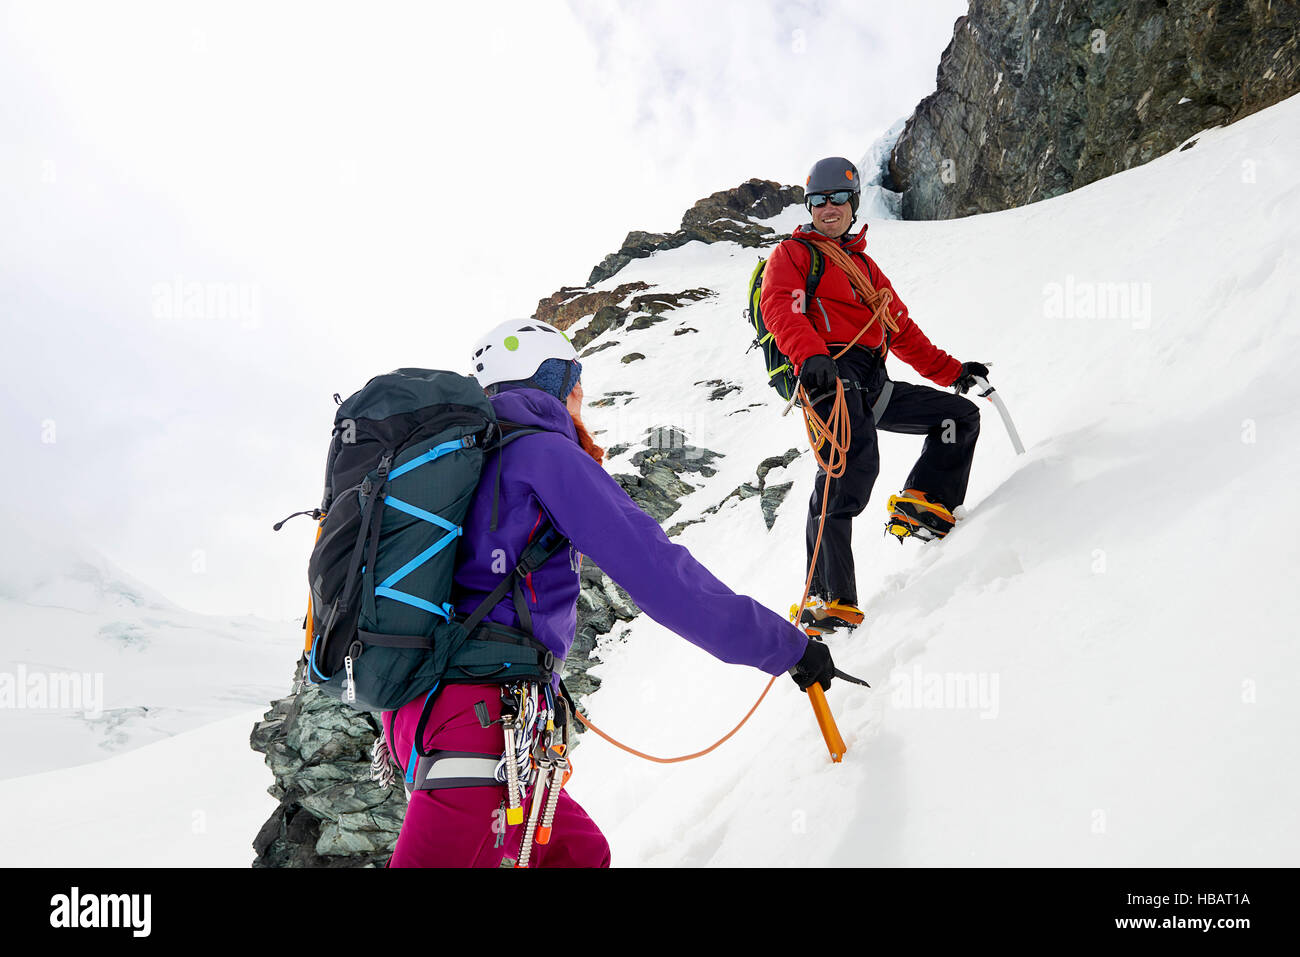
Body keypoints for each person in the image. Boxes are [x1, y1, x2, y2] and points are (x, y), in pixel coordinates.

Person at [384, 318, 835, 867]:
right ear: (551, 381)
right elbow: (658, 573)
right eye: (575, 382)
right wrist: (787, 647)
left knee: (577, 855)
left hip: (432, 709)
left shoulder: (462, 461)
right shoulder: (544, 455)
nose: (581, 398)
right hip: (479, 717)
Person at [759, 156, 989, 634]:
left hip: (871, 379)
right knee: (850, 468)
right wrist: (811, 357)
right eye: (818, 200)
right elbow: (782, 307)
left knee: (958, 417)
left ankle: (925, 501)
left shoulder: (866, 269)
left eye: (838, 198)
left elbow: (902, 331)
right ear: (809, 206)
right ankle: (826, 596)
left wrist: (954, 374)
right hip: (829, 373)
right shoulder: (795, 254)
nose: (829, 207)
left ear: (853, 203)